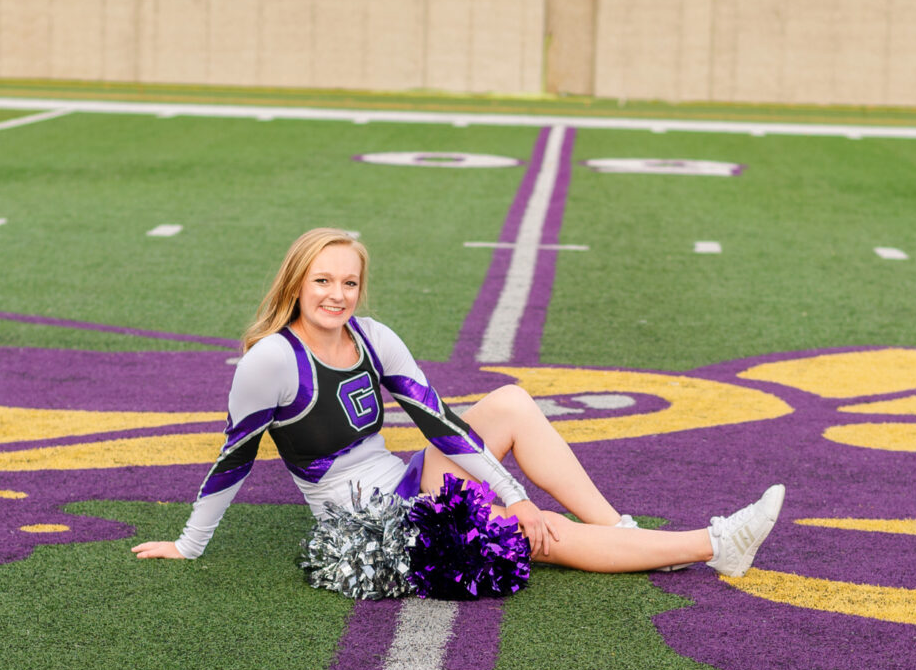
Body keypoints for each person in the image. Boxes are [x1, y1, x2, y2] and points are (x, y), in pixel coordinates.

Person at [132, 227, 783, 575]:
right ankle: (714, 543)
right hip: (369, 527)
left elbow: (441, 423)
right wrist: (189, 545)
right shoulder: (271, 359)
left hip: (406, 480)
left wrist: (519, 494)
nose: (337, 293)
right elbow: (234, 459)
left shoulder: (372, 337)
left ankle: (621, 533)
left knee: (508, 404)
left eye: (349, 281)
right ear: (296, 284)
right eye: (322, 280)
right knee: (539, 537)